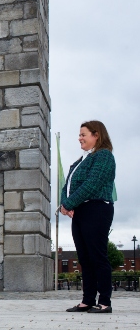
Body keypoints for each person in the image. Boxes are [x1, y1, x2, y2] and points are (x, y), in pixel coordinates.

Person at [61, 120, 116, 314]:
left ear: (96, 135)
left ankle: (105, 302)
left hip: (97, 208)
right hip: (80, 210)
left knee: (97, 256)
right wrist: (64, 203)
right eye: (79, 134)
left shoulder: (104, 156)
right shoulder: (81, 160)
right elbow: (66, 185)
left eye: (83, 134)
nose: (80, 138)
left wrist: (68, 203)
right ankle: (88, 300)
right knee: (84, 257)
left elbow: (92, 184)